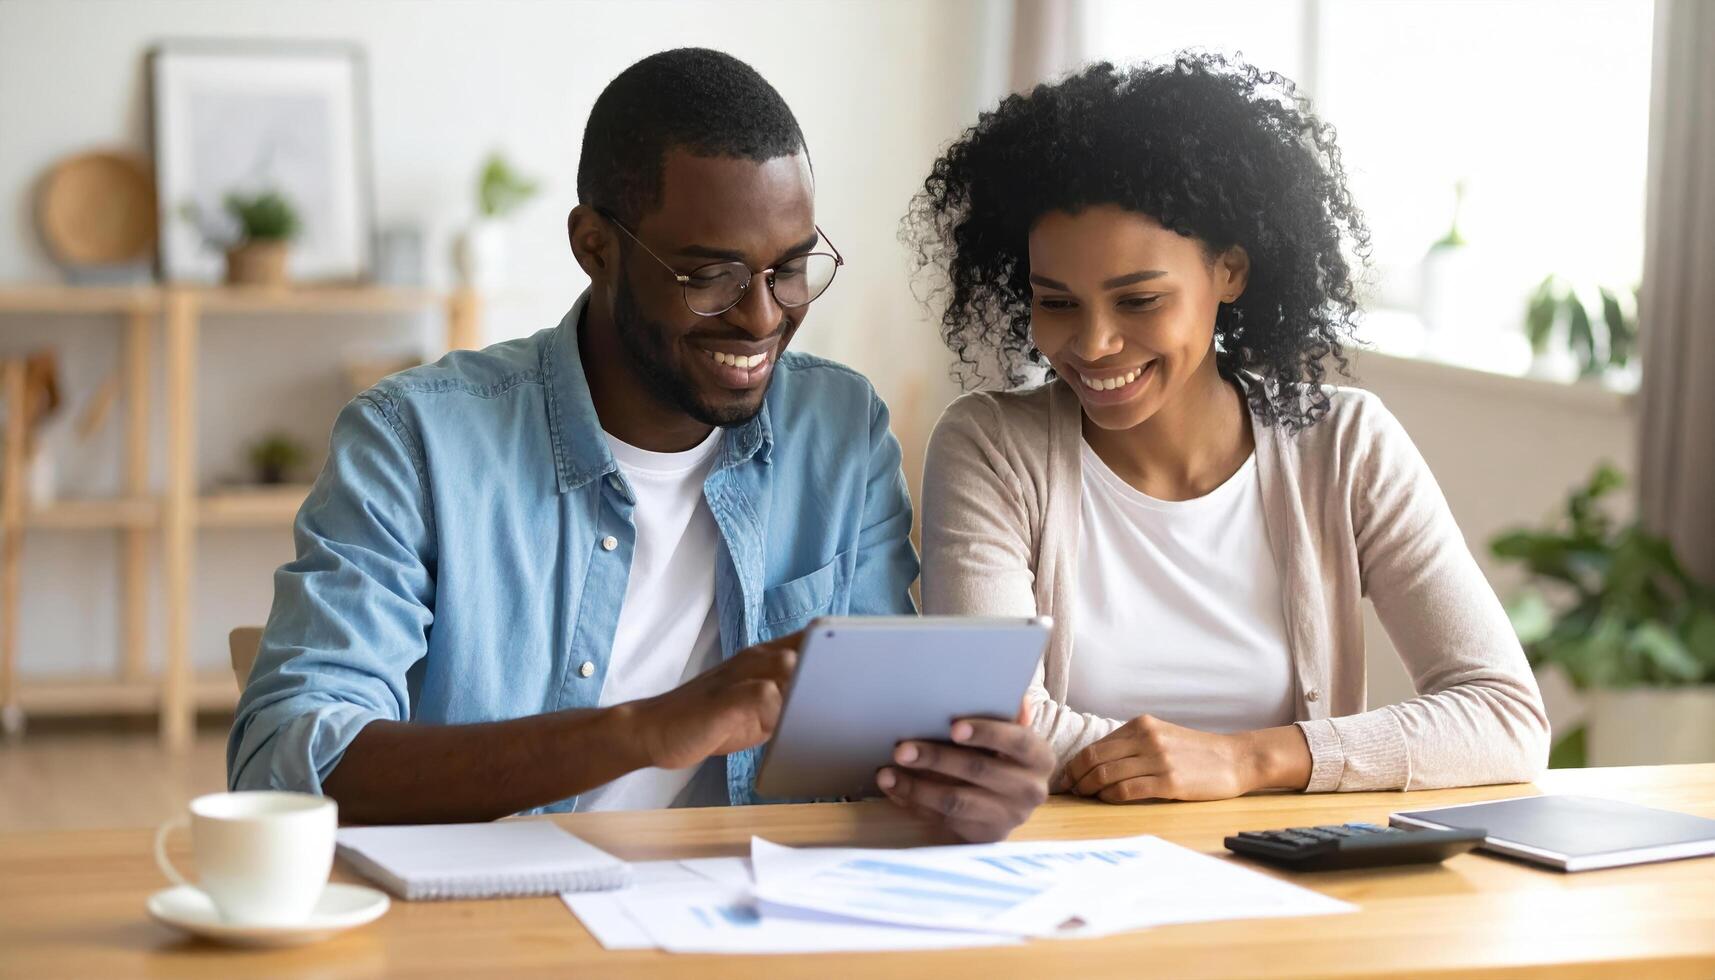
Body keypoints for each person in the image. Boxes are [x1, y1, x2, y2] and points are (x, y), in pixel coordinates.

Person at [230, 48, 1052, 842]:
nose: (762, 317)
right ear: (595, 246)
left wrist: (961, 782)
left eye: (790, 268)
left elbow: (873, 747)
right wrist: (650, 729)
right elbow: (288, 763)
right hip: (490, 924)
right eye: (711, 277)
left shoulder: (837, 430)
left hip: (746, 910)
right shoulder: (416, 441)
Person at [909, 54, 1549, 803]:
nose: (1092, 343)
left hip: (1282, 883)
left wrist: (1248, 760)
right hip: (1066, 879)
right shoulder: (990, 448)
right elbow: (988, 728)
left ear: (1231, 272)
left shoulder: (1344, 446)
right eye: (1057, 302)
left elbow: (1503, 715)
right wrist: (1205, 764)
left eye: (1139, 301)